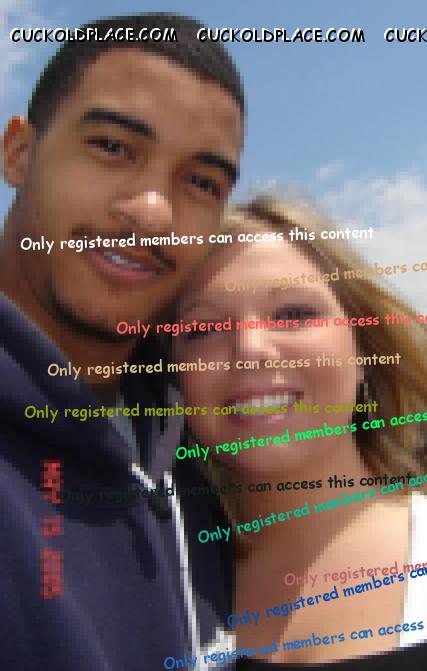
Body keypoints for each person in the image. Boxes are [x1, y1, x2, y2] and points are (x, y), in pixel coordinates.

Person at [170, 195, 427, 667]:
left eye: (294, 314)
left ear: (363, 349)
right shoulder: (159, 583)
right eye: (201, 329)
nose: (250, 348)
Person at [0, 12, 243, 670]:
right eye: (112, 146)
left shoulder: (204, 427)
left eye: (201, 182)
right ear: (19, 153)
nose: (153, 213)